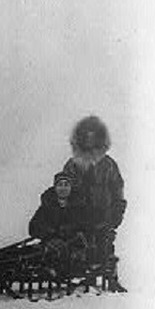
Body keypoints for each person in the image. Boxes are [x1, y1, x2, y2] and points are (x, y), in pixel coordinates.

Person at [60, 115, 127, 292]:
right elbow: (64, 188)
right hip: (80, 216)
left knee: (106, 246)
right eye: (86, 136)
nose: (89, 140)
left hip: (104, 214)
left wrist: (118, 208)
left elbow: (117, 186)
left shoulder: (108, 165)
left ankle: (110, 278)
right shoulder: (73, 165)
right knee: (80, 246)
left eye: (93, 136)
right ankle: (81, 277)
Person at [28, 172, 89, 275]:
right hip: (52, 244)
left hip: (74, 244)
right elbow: (33, 227)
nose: (63, 188)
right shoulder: (47, 206)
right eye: (60, 185)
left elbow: (85, 225)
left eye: (66, 185)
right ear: (55, 187)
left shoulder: (80, 207)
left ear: (70, 187)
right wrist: (49, 232)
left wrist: (70, 230)